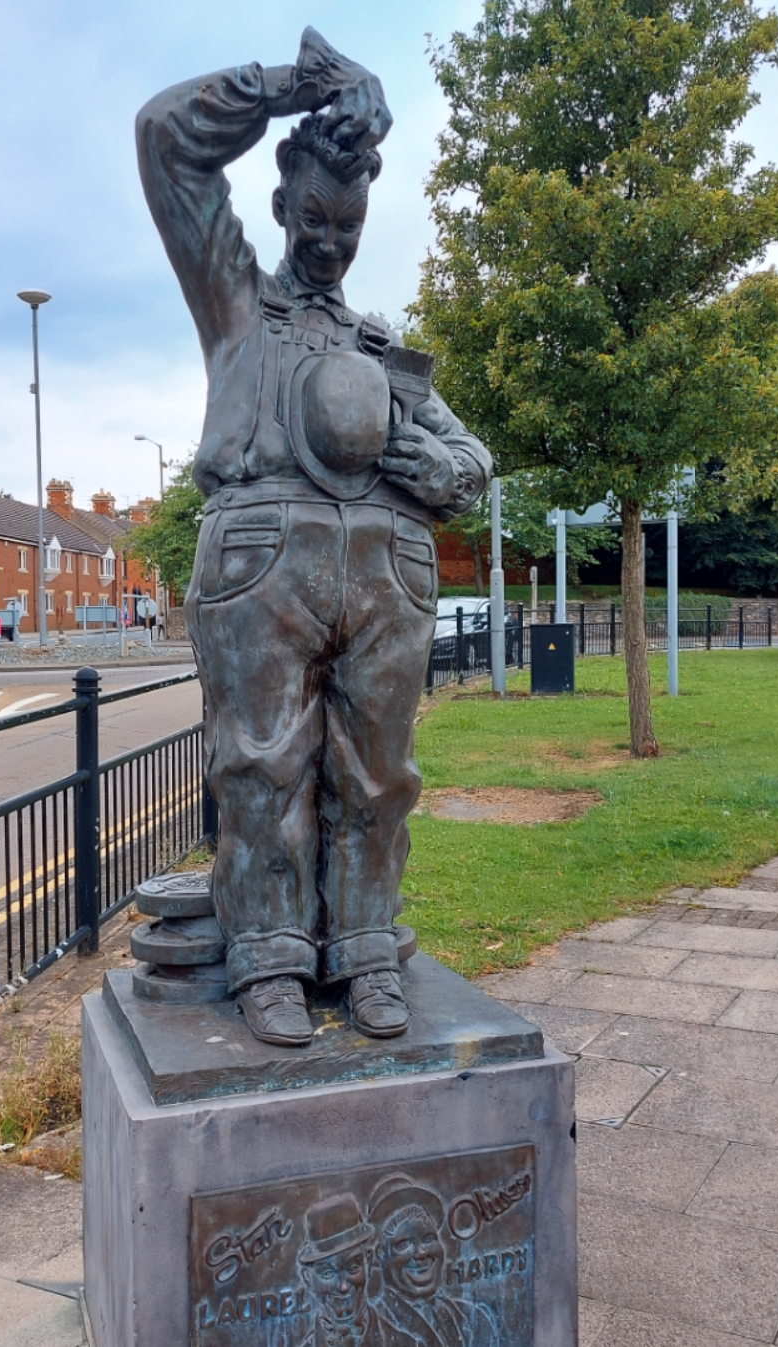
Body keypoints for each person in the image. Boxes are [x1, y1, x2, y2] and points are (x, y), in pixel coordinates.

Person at [136, 28, 490, 1048]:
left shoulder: (379, 348)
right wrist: (295, 87)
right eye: (315, 219)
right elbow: (166, 138)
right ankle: (269, 958)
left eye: (349, 225)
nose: (330, 242)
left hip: (384, 576)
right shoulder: (235, 301)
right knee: (262, 771)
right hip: (264, 567)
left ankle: (367, 948)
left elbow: (470, 460)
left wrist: (437, 470)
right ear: (282, 206)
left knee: (377, 779)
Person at [369, 1175, 498, 1347]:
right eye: (404, 1245)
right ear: (381, 1255)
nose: (421, 1253)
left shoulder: (477, 1320)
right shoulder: (373, 1329)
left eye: (428, 1239)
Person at [296, 1194, 415, 1347]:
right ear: (307, 1279)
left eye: (352, 1268)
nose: (343, 1286)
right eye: (328, 1273)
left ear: (368, 1264)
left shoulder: (405, 1343)